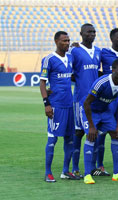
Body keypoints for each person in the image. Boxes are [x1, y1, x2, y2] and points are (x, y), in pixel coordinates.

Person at [80, 59, 118, 184]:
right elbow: (86, 103)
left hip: (106, 112)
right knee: (91, 137)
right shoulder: (101, 83)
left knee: (117, 135)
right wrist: (92, 126)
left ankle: (116, 173)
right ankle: (87, 175)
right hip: (91, 111)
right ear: (113, 70)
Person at [39, 31, 79, 182]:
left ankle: (65, 171)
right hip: (55, 105)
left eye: (68, 40)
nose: (67, 43)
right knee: (52, 139)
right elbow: (42, 82)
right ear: (56, 42)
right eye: (64, 41)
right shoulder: (49, 59)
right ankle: (48, 173)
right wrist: (46, 104)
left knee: (70, 139)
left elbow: (72, 75)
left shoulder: (70, 57)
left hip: (69, 104)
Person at [70, 23, 103, 178]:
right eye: (89, 32)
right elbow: (69, 72)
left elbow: (99, 71)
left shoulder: (98, 51)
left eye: (94, 32)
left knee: (94, 132)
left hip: (95, 99)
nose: (92, 34)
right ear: (81, 33)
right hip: (80, 99)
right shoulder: (75, 51)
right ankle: (75, 167)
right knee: (78, 132)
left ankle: (93, 167)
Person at [100, 28, 118, 174]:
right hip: (106, 97)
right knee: (102, 132)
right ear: (112, 39)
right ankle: (99, 164)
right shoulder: (103, 52)